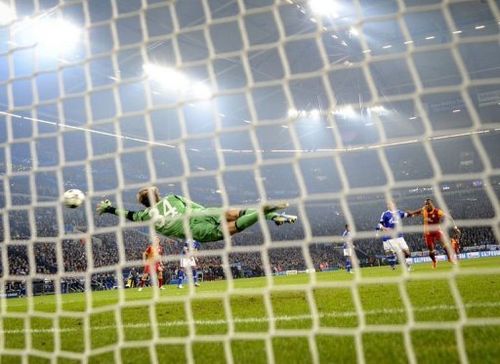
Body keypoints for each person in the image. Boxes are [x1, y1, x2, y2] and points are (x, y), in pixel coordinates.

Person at [96, 186, 297, 242]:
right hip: (201, 212)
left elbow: (128, 215)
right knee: (234, 213)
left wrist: (109, 208)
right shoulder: (173, 197)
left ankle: (263, 213)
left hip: (194, 229)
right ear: (157, 195)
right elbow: (194, 205)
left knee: (230, 229)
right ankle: (271, 215)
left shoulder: (147, 216)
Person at [407, 198, 459, 268]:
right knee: (431, 251)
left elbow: (449, 217)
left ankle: (450, 259)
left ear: (431, 204)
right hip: (428, 233)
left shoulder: (438, 211)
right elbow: (417, 212)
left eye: (427, 204)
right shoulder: (424, 210)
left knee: (446, 245)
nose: (425, 206)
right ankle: (434, 261)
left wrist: (455, 227)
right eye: (425, 204)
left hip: (437, 231)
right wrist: (411, 213)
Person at [376, 201, 412, 271]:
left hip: (399, 236)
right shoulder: (385, 214)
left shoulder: (399, 212)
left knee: (407, 252)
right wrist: (384, 229)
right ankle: (405, 266)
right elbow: (379, 224)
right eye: (388, 204)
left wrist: (414, 213)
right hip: (390, 238)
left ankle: (404, 262)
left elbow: (407, 215)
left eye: (391, 204)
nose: (389, 205)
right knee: (398, 252)